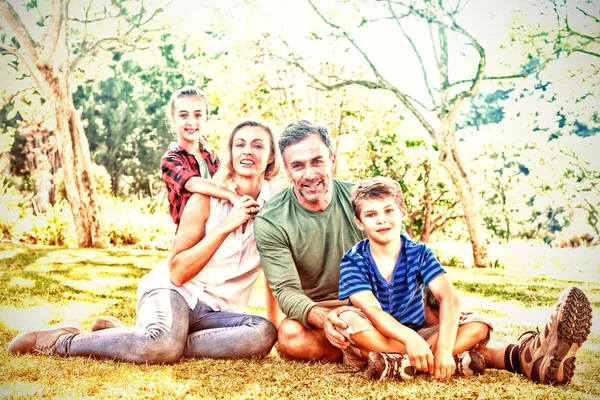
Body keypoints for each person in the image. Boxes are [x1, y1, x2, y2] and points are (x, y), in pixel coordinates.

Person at [255, 120, 592, 386]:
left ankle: (519, 357)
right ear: (286, 169)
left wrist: (427, 302)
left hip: (390, 300)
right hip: (334, 313)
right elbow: (286, 292)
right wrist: (323, 318)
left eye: (317, 160)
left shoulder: (363, 200)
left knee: (451, 319)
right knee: (291, 337)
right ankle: (503, 356)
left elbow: (404, 260)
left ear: (332, 159)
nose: (310, 173)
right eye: (298, 165)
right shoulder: (273, 218)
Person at [8, 120, 282, 363]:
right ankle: (62, 341)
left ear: (270, 157)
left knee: (263, 334)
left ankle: (130, 337)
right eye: (240, 144)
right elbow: (177, 272)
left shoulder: (278, 209)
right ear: (231, 155)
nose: (248, 150)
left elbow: (274, 276)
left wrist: (279, 334)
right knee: (163, 344)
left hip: (220, 314)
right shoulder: (205, 200)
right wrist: (226, 225)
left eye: (258, 146)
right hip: (175, 292)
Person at [336, 177, 493, 381]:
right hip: (376, 338)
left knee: (479, 324)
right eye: (371, 214)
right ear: (359, 222)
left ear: (402, 211)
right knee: (348, 322)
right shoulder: (353, 260)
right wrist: (409, 339)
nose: (381, 219)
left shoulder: (419, 253)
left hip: (418, 334)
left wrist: (444, 348)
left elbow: (449, 298)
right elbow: (372, 310)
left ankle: (404, 363)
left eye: (389, 210)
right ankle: (432, 358)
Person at [161, 86, 241, 227]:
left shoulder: (212, 156)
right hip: (191, 234)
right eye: (183, 115)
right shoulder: (171, 160)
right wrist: (230, 195)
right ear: (173, 118)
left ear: (206, 118)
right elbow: (193, 183)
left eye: (198, 115)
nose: (191, 122)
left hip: (218, 229)